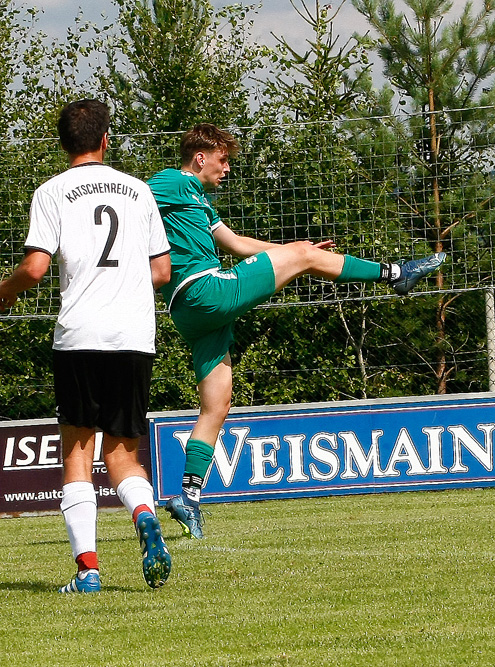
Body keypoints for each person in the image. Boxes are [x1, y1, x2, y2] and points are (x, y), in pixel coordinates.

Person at [148, 123, 445, 538]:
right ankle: (396, 273)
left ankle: (189, 498)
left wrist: (294, 252)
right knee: (304, 257)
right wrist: (301, 257)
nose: (227, 168)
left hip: (191, 312)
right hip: (205, 291)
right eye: (223, 159)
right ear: (201, 157)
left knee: (216, 406)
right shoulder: (171, 182)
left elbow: (237, 243)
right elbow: (131, 200)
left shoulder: (198, 198)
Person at [0, 99, 172, 592]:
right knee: (123, 453)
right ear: (105, 140)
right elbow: (160, 271)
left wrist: (3, 292)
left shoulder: (51, 191)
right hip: (134, 335)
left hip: (79, 336)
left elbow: (34, 268)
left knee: (77, 453)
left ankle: (89, 571)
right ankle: (142, 512)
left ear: (63, 144)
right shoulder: (138, 192)